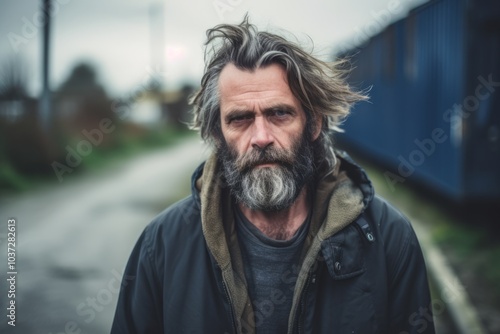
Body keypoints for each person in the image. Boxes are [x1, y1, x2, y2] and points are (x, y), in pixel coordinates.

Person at [111, 17, 435, 334]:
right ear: (218, 133)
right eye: (239, 119)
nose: (261, 137)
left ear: (314, 123)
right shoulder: (163, 245)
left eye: (279, 113)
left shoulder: (388, 238)